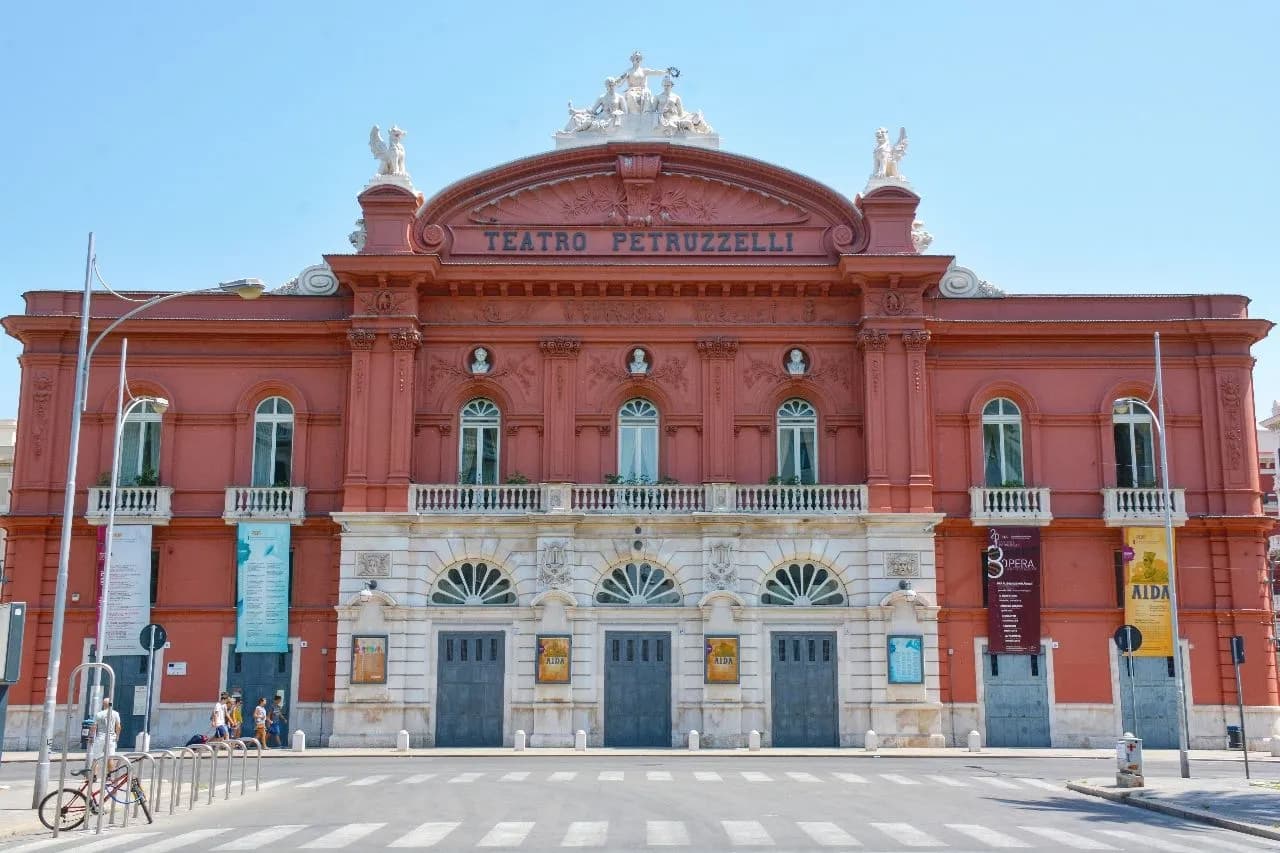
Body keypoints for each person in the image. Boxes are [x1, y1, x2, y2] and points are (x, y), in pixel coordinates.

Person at [87, 696, 121, 779]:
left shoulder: (98, 714)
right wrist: (117, 736)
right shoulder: (115, 713)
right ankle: (109, 776)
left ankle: (94, 776)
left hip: (100, 737)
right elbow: (118, 726)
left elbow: (94, 727)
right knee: (110, 757)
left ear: (103, 704)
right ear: (111, 704)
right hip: (111, 737)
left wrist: (91, 737)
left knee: (96, 758)